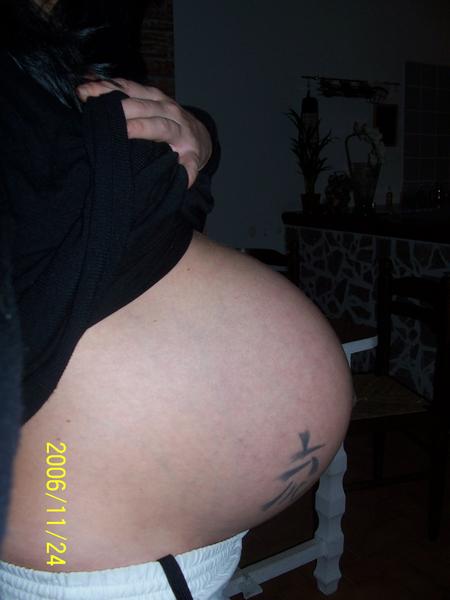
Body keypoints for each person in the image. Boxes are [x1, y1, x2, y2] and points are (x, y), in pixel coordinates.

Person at [0, 1, 354, 599]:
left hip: (167, 545)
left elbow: (151, 207)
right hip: (82, 551)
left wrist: (198, 138)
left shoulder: (53, 55)